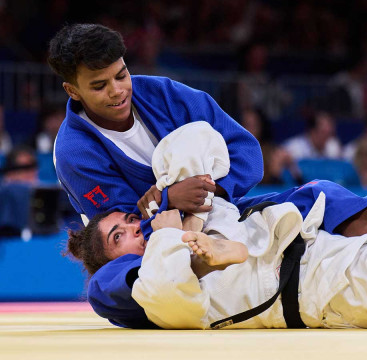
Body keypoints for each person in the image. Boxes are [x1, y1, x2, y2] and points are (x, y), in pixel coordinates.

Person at [70, 176, 367, 330]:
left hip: (343, 247)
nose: (134, 230)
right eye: (117, 236)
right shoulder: (132, 284)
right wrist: (165, 234)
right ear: (113, 261)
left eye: (127, 220)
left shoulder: (194, 226)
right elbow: (153, 288)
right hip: (348, 289)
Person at [47, 23, 264, 235]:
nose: (117, 91)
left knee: (295, 205)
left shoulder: (164, 94)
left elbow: (248, 154)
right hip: (147, 259)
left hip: (224, 214)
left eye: (121, 76)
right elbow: (121, 233)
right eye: (99, 86)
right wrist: (171, 199)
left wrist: (198, 193)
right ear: (72, 90)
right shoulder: (74, 153)